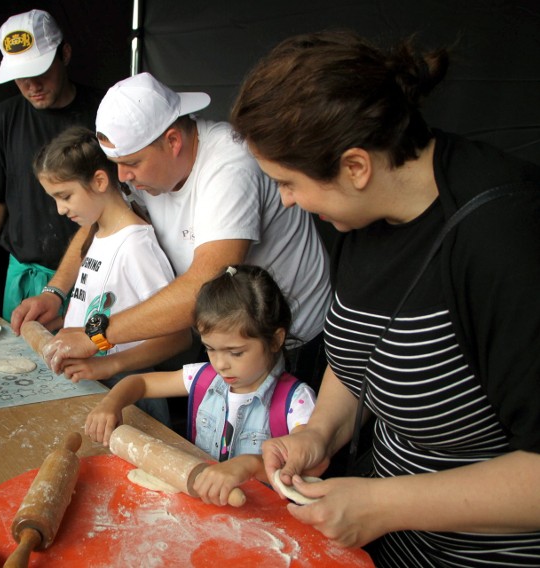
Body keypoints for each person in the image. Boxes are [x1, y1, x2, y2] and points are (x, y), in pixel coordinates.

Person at [229, 30, 540, 566]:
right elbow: (359, 355)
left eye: (288, 182)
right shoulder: (360, 213)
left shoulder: (504, 240)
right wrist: (320, 433)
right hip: (392, 541)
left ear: (355, 166)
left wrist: (383, 504)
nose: (286, 200)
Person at [20, 72, 331, 388]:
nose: (122, 176)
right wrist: (55, 291)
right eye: (115, 164)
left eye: (131, 163)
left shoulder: (229, 165)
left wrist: (95, 334)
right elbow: (101, 218)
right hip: (229, 338)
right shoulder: (143, 172)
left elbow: (205, 284)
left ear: (172, 141)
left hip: (292, 338)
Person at [85, 265, 316, 505]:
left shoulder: (296, 402)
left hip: (265, 520)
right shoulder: (205, 378)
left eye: (235, 353)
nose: (220, 364)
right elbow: (140, 382)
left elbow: (309, 466)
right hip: (203, 507)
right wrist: (111, 404)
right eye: (210, 349)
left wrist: (248, 466)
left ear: (276, 340)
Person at [0, 9, 103, 320]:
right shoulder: (4, 118)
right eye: (21, 76)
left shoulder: (102, 112)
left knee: (86, 363)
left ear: (65, 54)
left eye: (41, 71)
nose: (32, 85)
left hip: (91, 276)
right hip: (24, 278)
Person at [33, 126, 191, 423]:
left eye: (65, 196)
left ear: (100, 181)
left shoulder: (135, 245)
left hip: (127, 397)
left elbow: (178, 337)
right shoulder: (97, 232)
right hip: (92, 385)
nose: (59, 209)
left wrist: (109, 364)